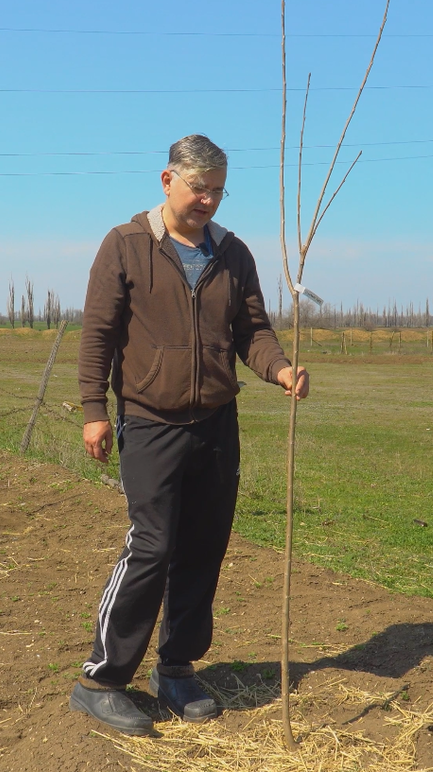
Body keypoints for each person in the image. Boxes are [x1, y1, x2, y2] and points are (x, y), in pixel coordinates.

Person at [70, 134, 309, 735]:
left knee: (204, 545)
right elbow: (98, 333)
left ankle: (176, 669)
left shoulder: (233, 253)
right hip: (150, 421)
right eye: (198, 187)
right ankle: (101, 678)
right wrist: (93, 409)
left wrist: (280, 369)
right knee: (152, 545)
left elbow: (253, 330)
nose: (207, 200)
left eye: (218, 190)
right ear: (167, 181)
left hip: (215, 424)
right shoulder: (125, 245)